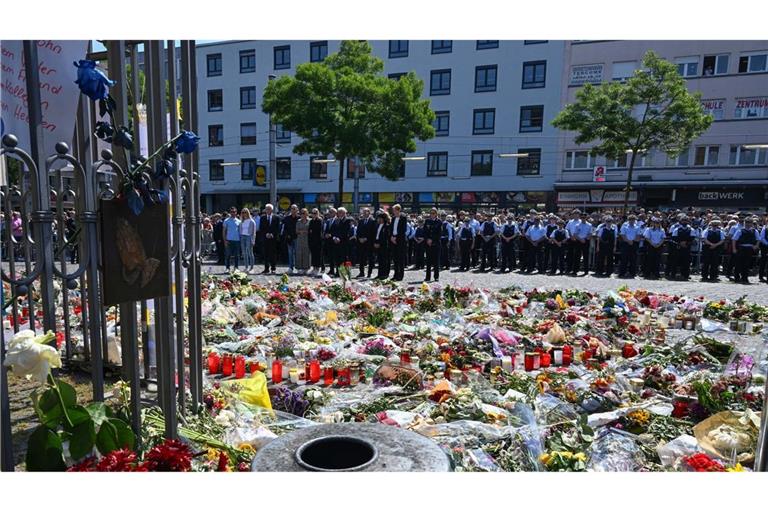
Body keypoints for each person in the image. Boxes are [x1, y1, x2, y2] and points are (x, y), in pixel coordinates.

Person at [732, 217, 759, 284]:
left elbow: (758, 239)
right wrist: (734, 248)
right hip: (741, 248)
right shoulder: (740, 230)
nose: (748, 224)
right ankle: (737, 278)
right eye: (747, 222)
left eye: (749, 222)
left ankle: (745, 278)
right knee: (738, 264)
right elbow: (734, 240)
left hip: (750, 249)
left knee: (747, 264)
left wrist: (756, 245)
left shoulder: (755, 231)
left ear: (752, 223)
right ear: (744, 222)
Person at [330, 207, 352, 273]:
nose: (339, 214)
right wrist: (334, 237)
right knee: (337, 257)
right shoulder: (336, 220)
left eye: (340, 212)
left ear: (344, 213)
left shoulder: (347, 220)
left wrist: (339, 238)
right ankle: (338, 271)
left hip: (344, 242)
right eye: (338, 212)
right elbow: (332, 230)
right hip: (336, 242)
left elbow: (347, 231)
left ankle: (345, 272)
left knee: (344, 258)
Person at [260, 204, 280, 274]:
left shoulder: (276, 217)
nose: (267, 210)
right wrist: (266, 234)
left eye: (269, 209)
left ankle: (273, 268)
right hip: (265, 238)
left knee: (273, 254)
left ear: (272, 210)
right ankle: (266, 268)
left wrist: (272, 234)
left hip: (273, 239)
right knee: (265, 254)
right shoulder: (262, 218)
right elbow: (261, 228)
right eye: (266, 209)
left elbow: (277, 228)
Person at [355, 207, 376, 278]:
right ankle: (361, 272)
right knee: (361, 258)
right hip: (361, 243)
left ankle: (369, 273)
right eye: (363, 212)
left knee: (370, 258)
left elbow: (373, 232)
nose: (363, 213)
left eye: (365, 212)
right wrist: (359, 238)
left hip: (369, 242)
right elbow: (358, 231)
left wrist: (366, 238)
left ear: (369, 213)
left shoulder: (373, 221)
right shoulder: (360, 221)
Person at [423, 208, 442, 281]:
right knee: (428, 261)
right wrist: (427, 239)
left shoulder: (439, 222)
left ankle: (436, 277)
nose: (432, 214)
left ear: (436, 214)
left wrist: (432, 239)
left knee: (436, 261)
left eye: (433, 213)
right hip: (428, 244)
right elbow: (424, 232)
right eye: (431, 213)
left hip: (436, 243)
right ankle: (428, 277)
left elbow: (439, 234)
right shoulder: (427, 221)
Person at [390, 204, 407, 281]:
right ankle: (395, 274)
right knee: (395, 259)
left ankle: (401, 275)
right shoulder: (393, 218)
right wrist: (392, 237)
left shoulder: (403, 217)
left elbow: (403, 230)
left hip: (400, 240)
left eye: (394, 210)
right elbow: (391, 228)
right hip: (393, 239)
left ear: (398, 210)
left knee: (401, 259)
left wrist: (396, 237)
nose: (393, 211)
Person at [281, 204, 299, 274]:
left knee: (297, 253)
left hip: (298, 238)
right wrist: (287, 235)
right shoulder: (286, 218)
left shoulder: (299, 218)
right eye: (292, 208)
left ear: (297, 210)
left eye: (294, 208)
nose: (293, 210)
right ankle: (290, 267)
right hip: (289, 238)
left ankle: (298, 267)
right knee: (290, 253)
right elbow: (284, 229)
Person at [223, 207, 241, 271]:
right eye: (232, 212)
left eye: (234, 212)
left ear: (236, 212)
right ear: (230, 213)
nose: (233, 213)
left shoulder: (239, 221)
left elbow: (240, 231)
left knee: (237, 255)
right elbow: (224, 231)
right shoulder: (226, 221)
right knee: (228, 255)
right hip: (229, 240)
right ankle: (227, 268)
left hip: (237, 240)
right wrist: (225, 240)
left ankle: (236, 268)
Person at [239, 208, 258, 272]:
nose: (244, 214)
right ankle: (246, 267)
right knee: (244, 253)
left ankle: (252, 268)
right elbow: (240, 230)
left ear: (248, 213)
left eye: (245, 212)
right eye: (243, 212)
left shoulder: (252, 221)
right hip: (242, 237)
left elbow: (254, 232)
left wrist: (253, 240)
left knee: (250, 252)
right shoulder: (241, 221)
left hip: (249, 237)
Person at [374, 211, 391, 280]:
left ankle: (385, 274)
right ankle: (380, 274)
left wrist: (379, 243)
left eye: (379, 218)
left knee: (385, 260)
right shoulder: (377, 225)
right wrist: (375, 242)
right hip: (377, 243)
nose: (378, 220)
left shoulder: (387, 226)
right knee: (380, 260)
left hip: (384, 245)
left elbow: (386, 237)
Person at [308, 208, 323, 275]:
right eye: (313, 213)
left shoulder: (319, 220)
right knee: (313, 255)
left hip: (318, 240)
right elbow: (309, 231)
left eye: (315, 213)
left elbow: (318, 230)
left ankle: (317, 268)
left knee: (318, 255)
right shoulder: (311, 221)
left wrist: (312, 231)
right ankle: (314, 267)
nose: (314, 214)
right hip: (311, 240)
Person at [295, 208, 311, 274]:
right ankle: (299, 268)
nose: (302, 215)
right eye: (301, 213)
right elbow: (296, 231)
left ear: (307, 213)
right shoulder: (298, 221)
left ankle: (306, 268)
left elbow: (311, 230)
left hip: (307, 239)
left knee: (306, 253)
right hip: (299, 239)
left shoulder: (310, 221)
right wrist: (300, 231)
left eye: (304, 213)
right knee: (299, 253)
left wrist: (305, 231)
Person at [321, 208, 336, 274]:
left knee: (335, 256)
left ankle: (337, 270)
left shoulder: (337, 220)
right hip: (328, 241)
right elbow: (325, 229)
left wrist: (331, 235)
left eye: (331, 212)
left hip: (335, 241)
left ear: (334, 213)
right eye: (329, 212)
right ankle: (331, 269)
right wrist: (325, 235)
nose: (329, 214)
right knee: (330, 256)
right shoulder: (327, 221)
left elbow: (337, 230)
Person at [758, 217, 768, 282]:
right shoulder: (765, 228)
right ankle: (761, 276)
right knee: (763, 262)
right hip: (765, 247)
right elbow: (762, 238)